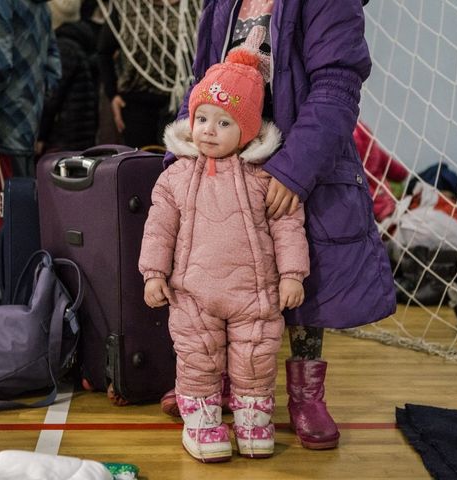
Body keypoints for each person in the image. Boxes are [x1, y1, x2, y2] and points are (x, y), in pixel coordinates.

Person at [159, 0, 396, 451]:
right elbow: (204, 81)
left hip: (299, 157)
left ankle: (306, 396)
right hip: (229, 157)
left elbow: (337, 86)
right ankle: (223, 380)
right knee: (223, 275)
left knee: (301, 274)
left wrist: (295, 170)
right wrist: (183, 150)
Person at [139, 29, 309, 463]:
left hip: (255, 295)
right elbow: (159, 227)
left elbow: (288, 224)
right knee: (197, 360)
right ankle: (202, 424)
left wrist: (292, 275)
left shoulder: (264, 179)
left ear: (248, 131)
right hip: (193, 293)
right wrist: (153, 273)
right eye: (202, 119)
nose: (209, 131)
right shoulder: (175, 176)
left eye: (224, 122)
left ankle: (254, 424)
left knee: (256, 359)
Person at [0, 0, 61, 283]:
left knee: (2, 225)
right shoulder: (41, 8)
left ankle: (11, 307)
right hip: (23, 126)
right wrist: (29, 103)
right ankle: (17, 302)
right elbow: (54, 69)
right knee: (19, 220)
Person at [97, 0, 178, 148]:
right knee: (140, 164)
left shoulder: (192, 6)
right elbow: (104, 51)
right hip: (135, 102)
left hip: (178, 101)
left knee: (176, 164)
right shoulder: (127, 6)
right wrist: (112, 94)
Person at [37, 0, 99, 153]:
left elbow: (52, 97)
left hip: (64, 139)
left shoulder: (63, 48)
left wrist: (40, 135)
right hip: (80, 136)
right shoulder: (82, 42)